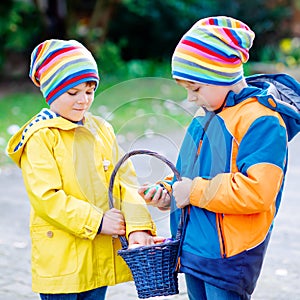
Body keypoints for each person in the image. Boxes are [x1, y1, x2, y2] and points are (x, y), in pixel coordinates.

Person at [139, 16, 300, 299]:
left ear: (221, 76)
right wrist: (168, 191)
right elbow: (186, 176)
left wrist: (193, 191)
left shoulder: (262, 122)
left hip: (230, 257)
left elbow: (257, 192)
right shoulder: (202, 120)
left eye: (196, 88)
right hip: (193, 249)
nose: (190, 99)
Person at [6, 39, 158, 300]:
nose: (83, 101)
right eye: (72, 93)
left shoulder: (102, 130)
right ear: (51, 93)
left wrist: (137, 227)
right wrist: (97, 221)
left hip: (97, 257)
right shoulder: (41, 137)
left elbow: (125, 182)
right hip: (62, 262)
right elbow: (47, 198)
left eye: (89, 91)